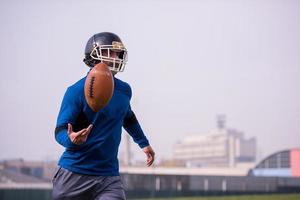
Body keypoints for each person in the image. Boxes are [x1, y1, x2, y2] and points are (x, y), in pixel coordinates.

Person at [52, 32, 155, 200]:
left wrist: (143, 143)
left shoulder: (124, 90)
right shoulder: (75, 91)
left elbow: (127, 117)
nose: (115, 56)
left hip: (109, 177)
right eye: (109, 52)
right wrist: (70, 139)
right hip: (74, 174)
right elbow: (60, 130)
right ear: (94, 54)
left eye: (117, 53)